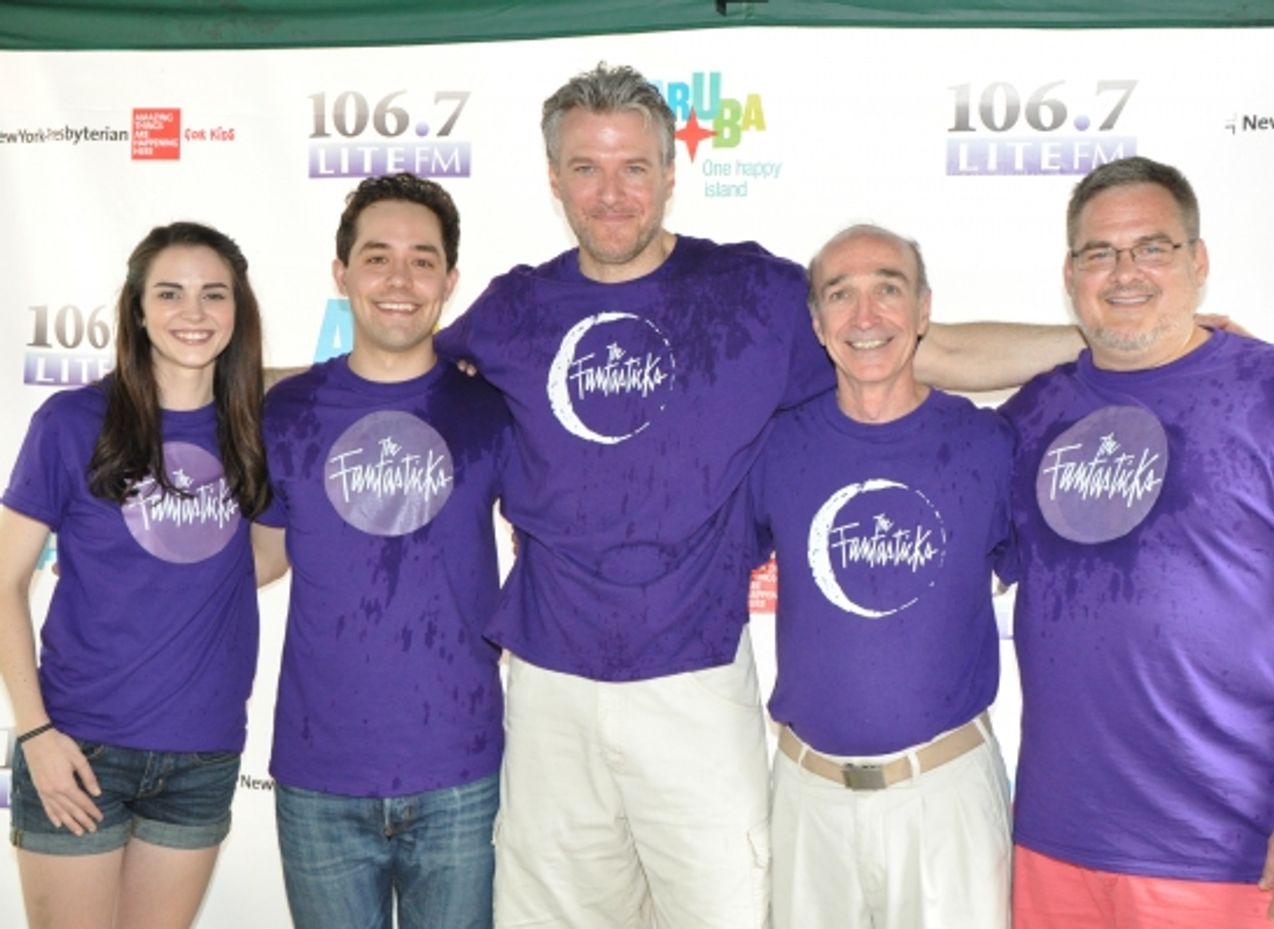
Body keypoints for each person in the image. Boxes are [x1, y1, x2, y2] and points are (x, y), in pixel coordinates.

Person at [433, 62, 1076, 929]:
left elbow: (921, 349)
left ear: (671, 172)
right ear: (554, 179)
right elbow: (399, 378)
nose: (612, 193)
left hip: (696, 681)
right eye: (587, 167)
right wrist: (246, 389)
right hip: (550, 687)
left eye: (634, 167)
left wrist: (1103, 340)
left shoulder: (753, 295)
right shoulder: (514, 309)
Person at [1000, 155, 1274, 928]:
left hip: (1227, 851)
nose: (1125, 272)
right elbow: (913, 350)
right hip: (1054, 845)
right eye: (1099, 253)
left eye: (1152, 247)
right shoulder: (1037, 411)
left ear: (1199, 261)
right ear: (1070, 275)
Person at [251, 172, 510, 929]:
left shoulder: (493, 407)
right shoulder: (286, 411)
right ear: (342, 275)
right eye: (377, 258)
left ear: (450, 281)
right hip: (320, 771)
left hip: (461, 770)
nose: (400, 279)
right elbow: (261, 556)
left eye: (422, 260)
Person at [0, 222, 268, 929]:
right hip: (78, 745)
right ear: (138, 309)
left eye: (214, 294)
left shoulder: (253, 429)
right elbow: (3, 582)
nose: (193, 312)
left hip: (202, 753)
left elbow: (262, 558)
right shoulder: (72, 421)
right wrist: (35, 735)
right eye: (170, 293)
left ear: (238, 310)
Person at [750, 224, 1013, 929]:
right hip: (808, 800)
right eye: (841, 295)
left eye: (888, 290)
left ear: (924, 310)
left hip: (945, 798)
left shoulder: (987, 445)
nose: (865, 317)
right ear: (817, 323)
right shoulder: (776, 445)